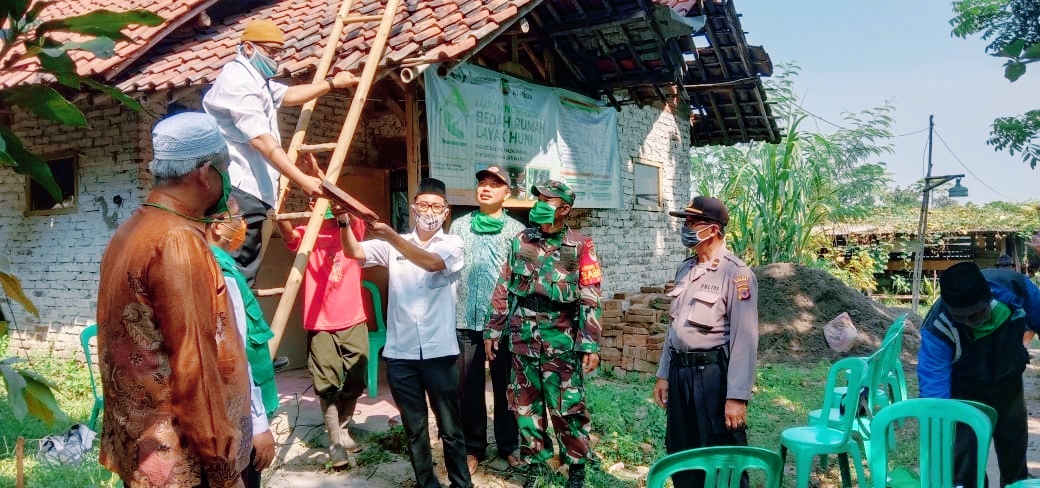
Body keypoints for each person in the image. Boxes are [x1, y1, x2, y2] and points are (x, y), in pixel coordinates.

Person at [96, 112, 252, 488]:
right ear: (204, 172)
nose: (226, 180)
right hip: (184, 458)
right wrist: (221, 465)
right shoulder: (177, 241)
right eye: (225, 168)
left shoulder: (129, 231)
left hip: (142, 448)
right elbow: (194, 357)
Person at [203, 19, 359, 284]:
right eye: (271, 52)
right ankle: (230, 323)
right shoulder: (238, 82)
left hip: (253, 192)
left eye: (278, 52)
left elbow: (289, 95)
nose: (275, 59)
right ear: (249, 48)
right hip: (240, 189)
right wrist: (302, 179)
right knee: (234, 273)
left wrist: (332, 84)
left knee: (243, 271)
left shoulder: (257, 80)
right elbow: (262, 141)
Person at [340, 178, 471, 488]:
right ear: (413, 208)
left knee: (450, 427)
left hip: (440, 353)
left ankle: (461, 483)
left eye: (436, 206)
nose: (429, 212)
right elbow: (354, 252)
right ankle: (427, 484)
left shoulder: (452, 245)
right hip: (401, 355)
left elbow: (432, 264)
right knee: (414, 427)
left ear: (446, 211)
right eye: (423, 205)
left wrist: (391, 237)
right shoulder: (392, 243)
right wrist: (343, 223)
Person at [483, 179, 603, 488]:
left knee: (567, 406)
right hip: (523, 337)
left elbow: (590, 295)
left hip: (561, 339)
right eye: (537, 197)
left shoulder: (579, 245)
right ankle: (537, 464)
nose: (538, 203)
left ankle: (575, 467)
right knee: (525, 405)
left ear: (564, 209)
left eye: (546, 200)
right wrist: (493, 330)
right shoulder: (521, 240)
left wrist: (589, 343)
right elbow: (503, 287)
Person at [651, 196, 759, 488]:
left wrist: (736, 397)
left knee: (722, 455)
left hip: (712, 377)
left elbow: (744, 339)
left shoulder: (736, 274)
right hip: (680, 373)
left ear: (712, 230)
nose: (684, 228)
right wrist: (663, 374)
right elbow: (674, 328)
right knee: (681, 451)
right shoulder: (685, 269)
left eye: (690, 222)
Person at [275, 160, 369, 470]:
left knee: (356, 377)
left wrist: (319, 176)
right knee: (325, 381)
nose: (320, 205)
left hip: (353, 316)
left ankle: (343, 426)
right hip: (320, 320)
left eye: (325, 200)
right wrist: (279, 207)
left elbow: (349, 218)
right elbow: (287, 232)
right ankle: (334, 441)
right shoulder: (308, 232)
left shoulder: (352, 226)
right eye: (316, 200)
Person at [918, 261, 1040, 487]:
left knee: (1013, 450)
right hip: (964, 395)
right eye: (962, 317)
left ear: (988, 297)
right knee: (965, 460)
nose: (970, 322)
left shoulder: (1017, 289)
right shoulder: (938, 328)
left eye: (976, 314)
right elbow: (935, 395)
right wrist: (943, 435)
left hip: (1009, 385)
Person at [448, 166, 526, 473]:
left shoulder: (517, 231)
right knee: (468, 387)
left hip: (503, 324)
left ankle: (508, 445)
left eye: (495, 184)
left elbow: (519, 278)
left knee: (507, 386)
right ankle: (474, 447)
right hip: (465, 319)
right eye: (482, 182)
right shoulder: (459, 226)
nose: (486, 188)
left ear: (507, 193)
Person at [205, 197, 279, 487]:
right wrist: (259, 425)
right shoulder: (221, 276)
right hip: (239, 419)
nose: (242, 226)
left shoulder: (225, 266)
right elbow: (234, 358)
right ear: (216, 226)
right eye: (236, 217)